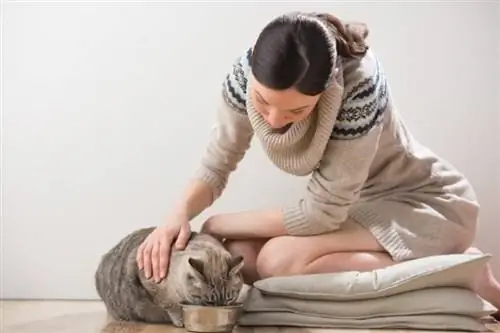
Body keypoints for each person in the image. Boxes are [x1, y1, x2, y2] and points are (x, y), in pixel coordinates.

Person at [136, 11, 500, 315]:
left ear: (326, 90)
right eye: (262, 102)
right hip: (358, 207)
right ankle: (443, 266)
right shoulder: (246, 71)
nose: (275, 120)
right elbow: (217, 164)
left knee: (278, 260)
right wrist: (177, 215)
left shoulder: (360, 84)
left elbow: (320, 213)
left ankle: (458, 272)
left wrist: (217, 222)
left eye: (297, 110)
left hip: (428, 204)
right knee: (239, 256)